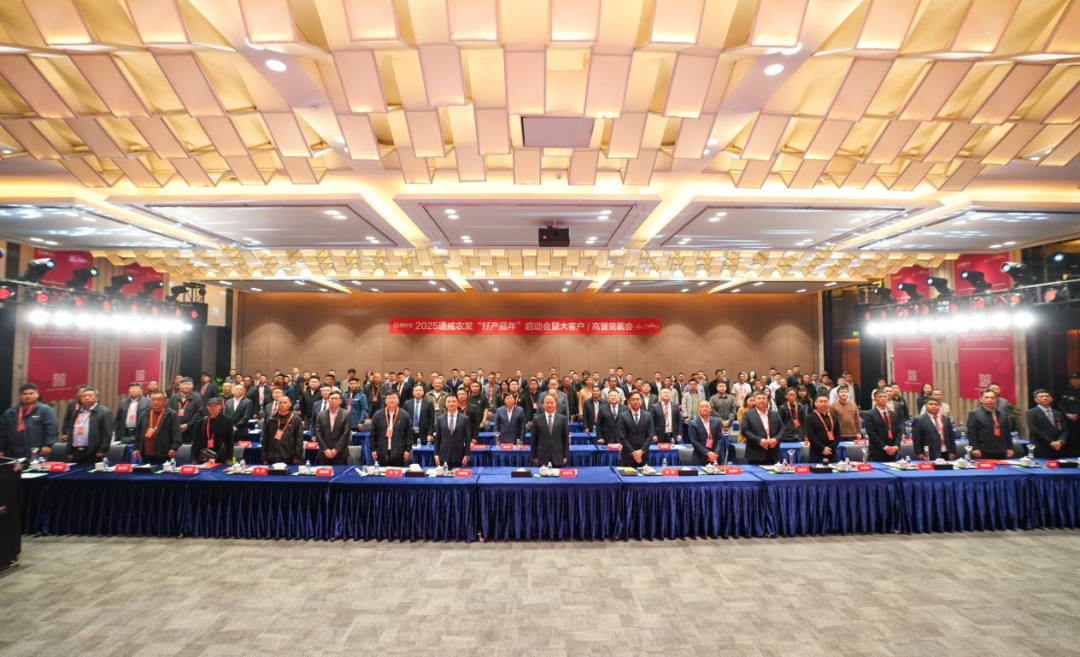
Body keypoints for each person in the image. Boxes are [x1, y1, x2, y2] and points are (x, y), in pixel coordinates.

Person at [0, 383, 59, 459]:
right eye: (24, 394)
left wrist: (48, 445)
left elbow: (52, 429)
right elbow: (2, 432)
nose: (28, 396)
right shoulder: (10, 412)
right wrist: (1, 448)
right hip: (13, 452)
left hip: (37, 451)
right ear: (20, 396)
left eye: (31, 393)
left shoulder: (46, 410)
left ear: (37, 394)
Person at [63, 387, 112, 464]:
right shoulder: (76, 412)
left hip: (94, 452)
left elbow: (107, 434)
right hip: (76, 451)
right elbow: (72, 431)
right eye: (84, 396)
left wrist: (103, 450)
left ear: (96, 398)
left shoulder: (104, 412)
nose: (87, 398)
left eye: (90, 395)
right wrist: (69, 451)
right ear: (80, 399)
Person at [132, 390, 181, 464]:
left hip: (164, 453)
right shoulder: (144, 414)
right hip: (146, 453)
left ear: (165, 401)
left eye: (159, 400)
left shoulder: (171, 414)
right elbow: (138, 433)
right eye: (153, 400)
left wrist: (174, 448)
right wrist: (136, 448)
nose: (155, 402)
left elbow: (176, 433)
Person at [966, 389, 1015, 459]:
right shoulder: (974, 414)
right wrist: (975, 448)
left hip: (1001, 451)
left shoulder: (1003, 414)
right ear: (981, 399)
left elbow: (1007, 432)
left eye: (992, 398)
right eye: (986, 397)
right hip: (983, 451)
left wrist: (1010, 447)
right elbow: (972, 433)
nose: (989, 400)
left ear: (996, 400)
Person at [741, 390, 787, 465]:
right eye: (759, 398)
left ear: (767, 400)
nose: (761, 400)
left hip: (773, 453)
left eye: (764, 398)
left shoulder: (774, 414)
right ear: (754, 401)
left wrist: (776, 439)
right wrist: (759, 440)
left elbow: (782, 428)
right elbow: (744, 430)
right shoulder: (748, 414)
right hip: (755, 453)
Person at [370, 391, 412, 466]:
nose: (391, 400)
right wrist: (373, 449)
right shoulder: (377, 415)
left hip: (399, 453)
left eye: (394, 398)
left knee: (398, 472)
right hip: (381, 453)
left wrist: (408, 449)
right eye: (389, 398)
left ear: (398, 400)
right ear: (385, 400)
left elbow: (409, 434)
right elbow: (373, 434)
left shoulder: (405, 415)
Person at [189, 398, 233, 464]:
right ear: (207, 407)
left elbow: (230, 440)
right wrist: (193, 456)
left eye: (215, 405)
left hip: (220, 454)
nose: (212, 407)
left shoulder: (227, 420)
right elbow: (195, 441)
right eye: (210, 406)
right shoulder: (201, 422)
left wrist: (229, 457)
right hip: (204, 454)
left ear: (220, 406)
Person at [617, 392, 655, 468]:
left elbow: (650, 435)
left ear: (641, 401)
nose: (635, 401)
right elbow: (622, 437)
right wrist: (634, 453)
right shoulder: (623, 416)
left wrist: (641, 451)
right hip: (627, 455)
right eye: (633, 399)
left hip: (643, 454)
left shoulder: (648, 415)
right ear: (629, 401)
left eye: (637, 399)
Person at [313, 390, 351, 465]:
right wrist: (325, 449)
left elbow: (346, 433)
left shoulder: (346, 414)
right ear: (328, 400)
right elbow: (318, 433)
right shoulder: (321, 414)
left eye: (336, 398)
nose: (334, 400)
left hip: (340, 453)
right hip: (324, 453)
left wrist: (336, 449)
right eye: (332, 398)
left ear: (340, 401)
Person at [1027, 389, 1067, 459]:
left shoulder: (1058, 413)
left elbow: (1064, 430)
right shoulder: (1031, 412)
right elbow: (1034, 431)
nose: (1045, 398)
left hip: (1058, 448)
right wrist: (1051, 442)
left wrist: (1060, 441)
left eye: (1047, 396)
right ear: (1036, 400)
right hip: (1041, 448)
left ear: (1051, 399)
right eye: (1041, 396)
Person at [261, 396, 302, 465]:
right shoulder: (271, 419)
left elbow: (299, 439)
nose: (282, 404)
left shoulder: (296, 419)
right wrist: (264, 456)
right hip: (272, 456)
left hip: (289, 456)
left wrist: (297, 456)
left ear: (290, 404)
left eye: (285, 402)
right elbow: (265, 438)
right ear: (277, 404)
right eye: (280, 403)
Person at [531, 393, 569, 467]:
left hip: (558, 455)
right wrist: (534, 456)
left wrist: (565, 455)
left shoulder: (563, 419)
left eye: (552, 402)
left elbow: (565, 439)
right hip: (541, 456)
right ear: (543, 405)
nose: (549, 405)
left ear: (556, 404)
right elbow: (533, 440)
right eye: (547, 403)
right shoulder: (536, 419)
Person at [434, 394, 471, 468]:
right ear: (445, 404)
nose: (451, 404)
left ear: (457, 403)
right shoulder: (440, 419)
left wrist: (467, 454)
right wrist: (436, 454)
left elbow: (467, 439)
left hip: (459, 455)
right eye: (449, 402)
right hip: (443, 455)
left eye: (453, 401)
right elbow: (437, 438)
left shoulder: (465, 419)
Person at [864, 389, 901, 462]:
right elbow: (871, 433)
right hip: (878, 450)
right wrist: (885, 447)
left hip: (893, 450)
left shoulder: (893, 414)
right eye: (880, 397)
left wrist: (896, 446)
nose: (883, 398)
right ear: (875, 399)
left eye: (885, 396)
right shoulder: (869, 414)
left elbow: (899, 431)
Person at [686, 399, 725, 466]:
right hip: (700, 458)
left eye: (706, 406)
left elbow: (720, 439)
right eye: (702, 406)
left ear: (710, 409)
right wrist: (708, 453)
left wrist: (715, 453)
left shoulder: (717, 421)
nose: (704, 408)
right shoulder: (693, 423)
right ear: (698, 409)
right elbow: (694, 441)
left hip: (715, 458)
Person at [804, 394, 840, 463]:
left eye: (825, 401)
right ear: (815, 403)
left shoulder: (834, 417)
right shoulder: (810, 418)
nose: (823, 403)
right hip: (816, 452)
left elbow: (838, 435)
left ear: (829, 403)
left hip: (831, 452)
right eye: (821, 401)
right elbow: (810, 436)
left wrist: (831, 448)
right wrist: (822, 448)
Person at [169, 377, 205, 444]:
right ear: (180, 386)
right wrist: (176, 425)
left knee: (188, 448)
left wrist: (188, 425)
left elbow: (199, 413)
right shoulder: (173, 397)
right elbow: (169, 411)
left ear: (192, 385)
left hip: (191, 430)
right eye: (184, 384)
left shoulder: (197, 398)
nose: (186, 386)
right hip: (175, 429)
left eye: (188, 384)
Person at [1061, 373, 1080, 457]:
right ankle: (1074, 459)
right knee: (1073, 441)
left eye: (1075, 379)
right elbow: (1061, 404)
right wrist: (1067, 414)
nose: (1073, 381)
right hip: (1071, 420)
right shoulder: (1068, 391)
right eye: (1071, 379)